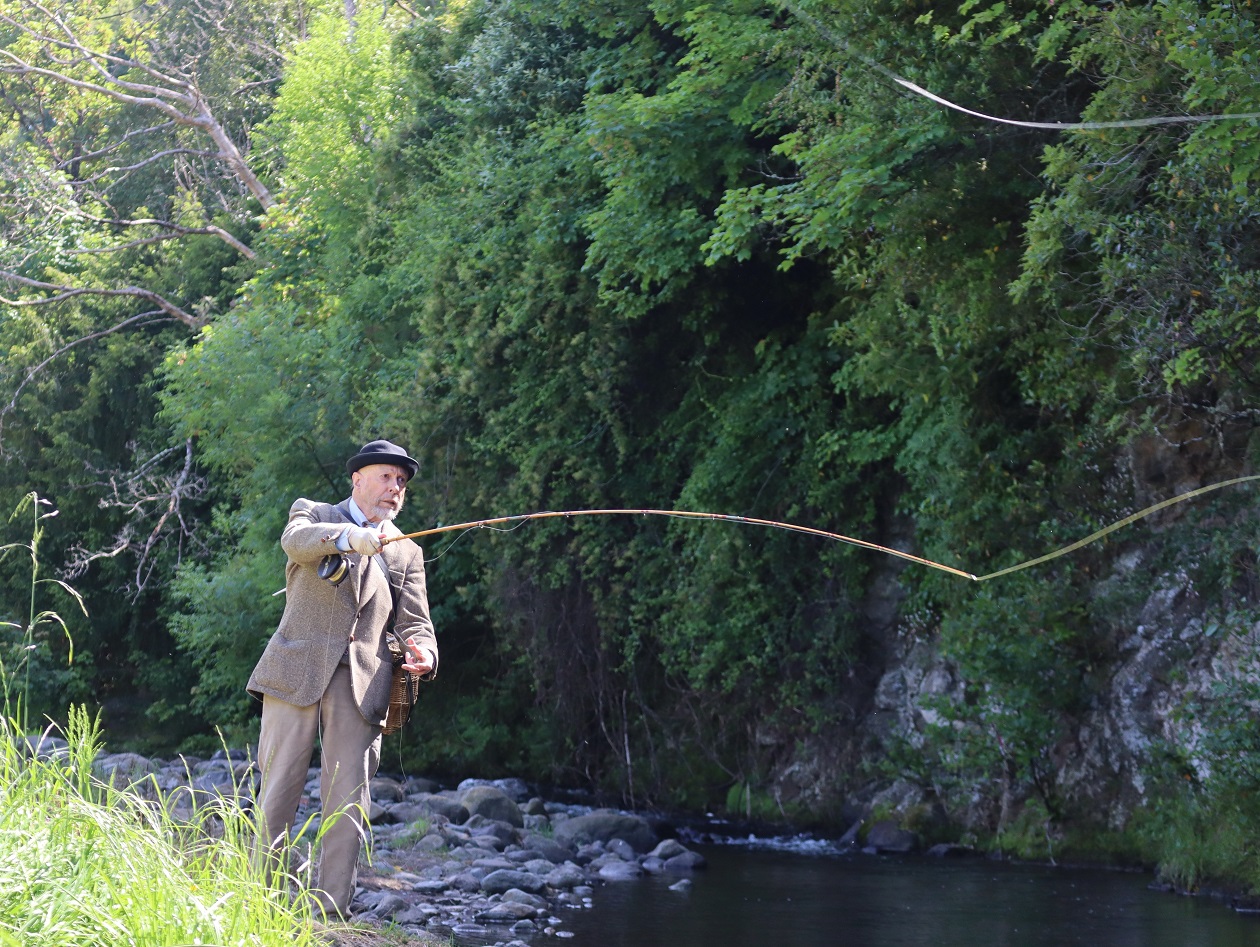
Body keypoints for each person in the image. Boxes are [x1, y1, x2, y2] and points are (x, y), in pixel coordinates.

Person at [248, 438, 438, 919]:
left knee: (348, 804)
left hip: (362, 686)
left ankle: (331, 912)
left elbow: (416, 623)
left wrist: (424, 654)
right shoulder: (312, 513)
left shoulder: (406, 553)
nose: (395, 488)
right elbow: (296, 543)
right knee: (278, 792)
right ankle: (257, 900)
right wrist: (351, 539)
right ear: (357, 479)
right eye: (386, 477)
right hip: (295, 672)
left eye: (401, 482)